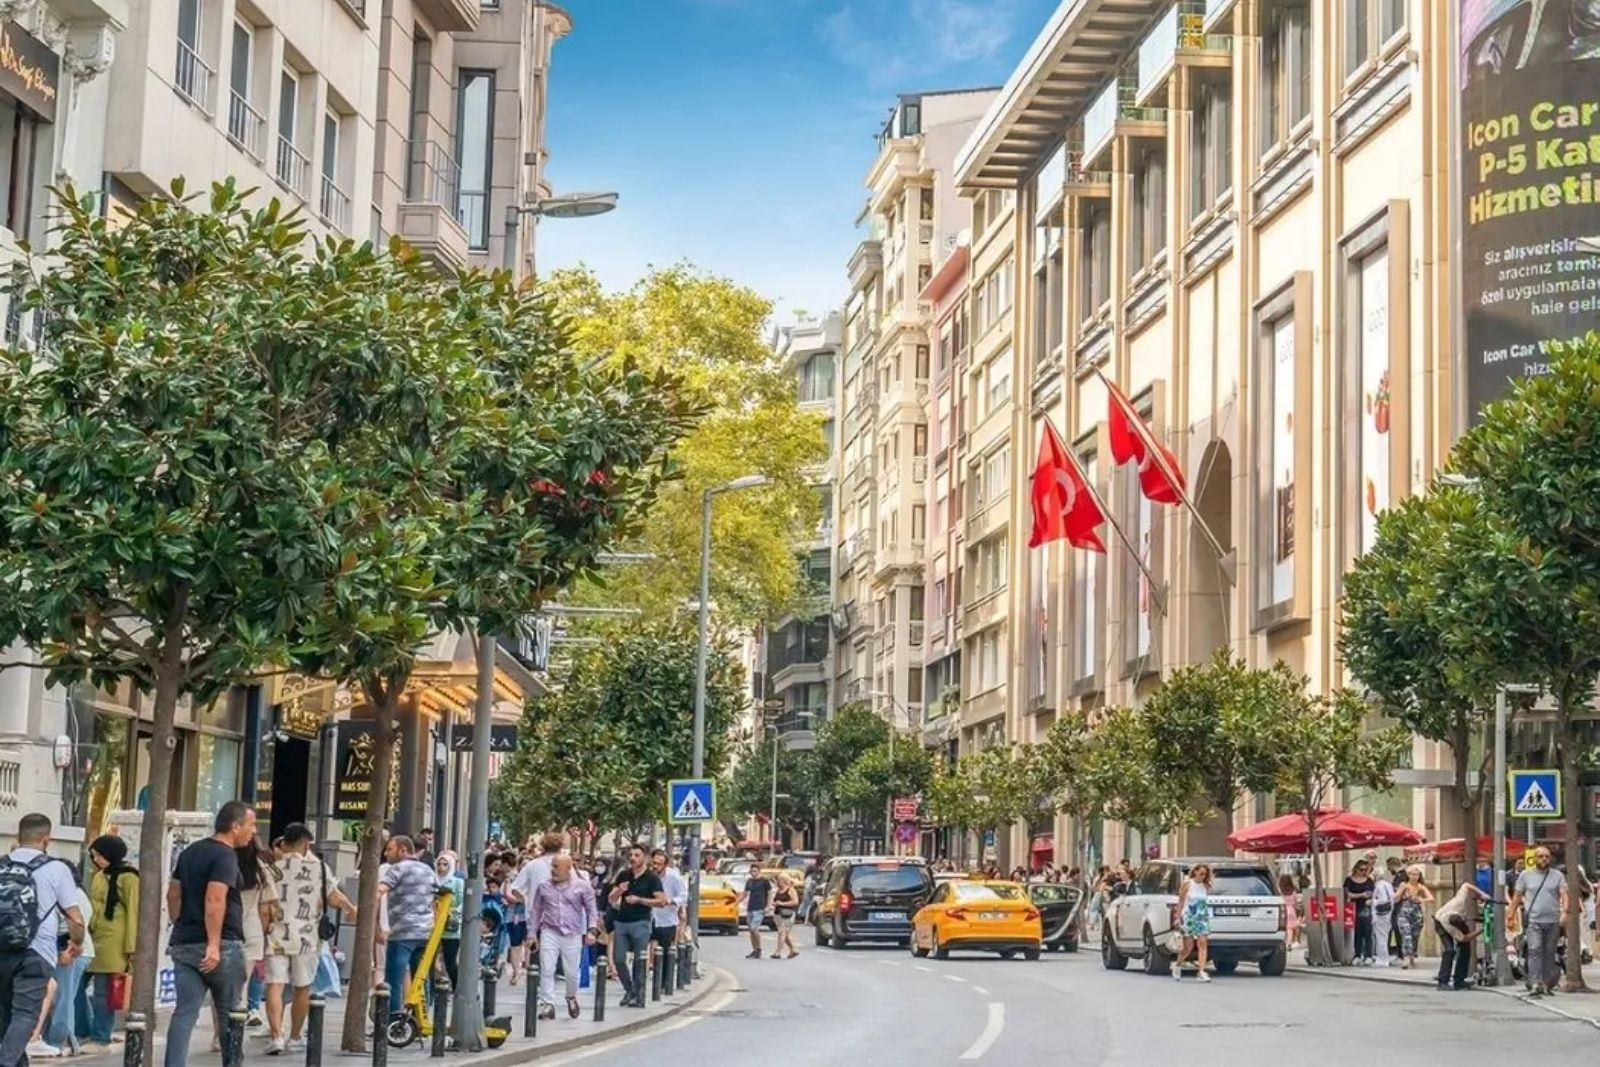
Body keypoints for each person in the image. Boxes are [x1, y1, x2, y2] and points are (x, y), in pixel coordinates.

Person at [166, 801, 256, 1067]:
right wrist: (214, 944)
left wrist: (180, 923)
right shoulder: (225, 856)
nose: (253, 833)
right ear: (235, 826)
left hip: (185, 944)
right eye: (250, 826)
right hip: (221, 945)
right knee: (231, 1014)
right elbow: (215, 900)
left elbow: (173, 893)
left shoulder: (191, 852)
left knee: (184, 1013)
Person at [0, 813, 85, 1065]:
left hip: (2, 949)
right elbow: (74, 916)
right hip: (36, 952)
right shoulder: (57, 869)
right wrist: (76, 943)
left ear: (18, 837)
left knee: (5, 1014)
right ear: (47, 840)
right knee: (26, 1014)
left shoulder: (2, 865)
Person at [267, 823, 355, 1054]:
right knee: (302, 987)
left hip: (276, 933)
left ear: (285, 842)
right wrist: (349, 907)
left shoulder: (272, 868)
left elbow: (264, 903)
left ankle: (276, 1036)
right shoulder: (320, 869)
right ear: (307, 843)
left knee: (274, 985)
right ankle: (295, 1037)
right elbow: (333, 897)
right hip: (306, 936)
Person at [528, 855, 599, 1020]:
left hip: (572, 934)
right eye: (552, 866)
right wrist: (532, 934)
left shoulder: (582, 887)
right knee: (547, 968)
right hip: (549, 931)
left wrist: (592, 930)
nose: (553, 870)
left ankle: (571, 997)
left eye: (556, 867)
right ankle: (548, 1004)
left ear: (568, 869)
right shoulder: (544, 886)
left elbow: (591, 910)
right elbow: (536, 911)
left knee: (572, 972)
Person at [84, 835, 138, 1050]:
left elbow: (134, 912)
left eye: (99, 855)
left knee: (103, 991)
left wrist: (131, 947)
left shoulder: (129, 878)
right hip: (94, 936)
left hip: (115, 940)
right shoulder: (100, 876)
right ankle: (85, 1029)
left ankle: (101, 1036)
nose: (96, 859)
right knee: (80, 987)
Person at [377, 834, 438, 1013]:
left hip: (402, 933)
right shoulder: (428, 870)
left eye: (390, 849)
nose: (386, 853)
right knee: (420, 978)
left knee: (393, 980)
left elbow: (381, 890)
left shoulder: (396, 869)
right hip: (425, 932)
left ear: (403, 850)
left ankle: (392, 1019)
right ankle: (421, 1017)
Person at [606, 846, 667, 1008]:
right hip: (621, 921)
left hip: (641, 922)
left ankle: (638, 994)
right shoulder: (624, 875)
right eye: (631, 855)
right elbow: (611, 899)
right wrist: (620, 890)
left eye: (637, 855)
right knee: (618, 959)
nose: (633, 858)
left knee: (639, 960)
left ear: (645, 858)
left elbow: (662, 901)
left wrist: (640, 900)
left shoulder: (652, 877)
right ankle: (630, 989)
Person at [1511, 846, 1569, 996]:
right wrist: (1510, 915)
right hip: (1534, 921)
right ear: (1534, 858)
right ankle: (1535, 982)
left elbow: (1564, 894)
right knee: (1534, 950)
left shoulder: (1557, 876)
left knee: (1549, 953)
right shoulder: (1525, 875)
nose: (1544, 859)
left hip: (1553, 920)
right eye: (1541, 856)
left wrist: (1565, 912)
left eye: (1547, 857)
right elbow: (1517, 897)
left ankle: (1546, 983)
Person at [235, 839, 278, 1043]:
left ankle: (219, 1037)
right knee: (241, 984)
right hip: (251, 930)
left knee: (223, 986)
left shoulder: (224, 862)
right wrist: (263, 931)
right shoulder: (260, 869)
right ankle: (235, 1035)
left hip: (225, 928)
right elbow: (265, 908)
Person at [1434, 880, 1491, 991]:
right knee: (1449, 951)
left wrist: (1481, 894)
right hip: (1440, 922)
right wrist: (1481, 931)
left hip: (1452, 918)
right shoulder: (1449, 925)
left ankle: (1459, 981)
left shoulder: (1458, 903)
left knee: (1466, 950)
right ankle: (1442, 981)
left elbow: (1466, 885)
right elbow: (1464, 938)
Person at [1172, 862, 1213, 982]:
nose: (1203, 876)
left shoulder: (1206, 886)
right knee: (1188, 946)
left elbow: (1205, 901)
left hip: (1202, 916)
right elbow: (1180, 902)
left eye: (1205, 874)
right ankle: (1178, 964)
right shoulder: (1187, 884)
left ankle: (1201, 971)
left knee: (1203, 943)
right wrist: (1177, 917)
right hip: (1189, 916)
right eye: (1201, 873)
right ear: (1195, 872)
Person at [433, 852, 464, 1000]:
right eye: (439, 864)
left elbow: (462, 902)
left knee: (449, 960)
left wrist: (452, 913)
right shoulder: (432, 881)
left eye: (445, 864)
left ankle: (456, 986)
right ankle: (435, 986)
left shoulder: (457, 882)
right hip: (432, 925)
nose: (441, 867)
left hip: (450, 927)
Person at [648, 850, 686, 973]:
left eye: (659, 864)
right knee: (651, 951)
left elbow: (683, 895)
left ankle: (665, 983)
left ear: (665, 865)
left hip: (667, 920)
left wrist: (670, 901)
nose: (655, 866)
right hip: (649, 918)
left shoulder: (674, 877)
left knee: (665, 953)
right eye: (654, 863)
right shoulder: (648, 876)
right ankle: (653, 975)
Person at [1394, 865, 1433, 969]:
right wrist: (1400, 894)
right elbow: (1395, 899)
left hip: (1417, 914)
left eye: (1416, 874)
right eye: (1411, 874)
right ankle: (1406, 958)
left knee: (1415, 936)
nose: (1414, 876)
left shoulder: (1421, 887)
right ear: (1408, 875)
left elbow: (1431, 898)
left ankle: (1412, 956)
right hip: (1404, 913)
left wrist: (1420, 900)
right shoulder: (1404, 885)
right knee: (1406, 934)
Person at [737, 865, 774, 959]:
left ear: (759, 871)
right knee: (751, 930)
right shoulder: (749, 881)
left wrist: (768, 906)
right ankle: (754, 949)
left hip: (760, 908)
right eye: (752, 871)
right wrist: (736, 903)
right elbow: (745, 894)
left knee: (754, 928)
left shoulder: (764, 881)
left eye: (755, 871)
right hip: (750, 907)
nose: (753, 873)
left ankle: (759, 948)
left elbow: (769, 893)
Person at [1344, 860, 1376, 965]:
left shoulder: (1369, 881)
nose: (1363, 872)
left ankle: (1368, 955)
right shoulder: (1349, 880)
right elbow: (1347, 894)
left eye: (1366, 870)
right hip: (1353, 907)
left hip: (1366, 907)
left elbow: (1373, 893)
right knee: (1357, 932)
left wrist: (1369, 897)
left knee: (1367, 931)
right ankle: (1357, 954)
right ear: (1356, 869)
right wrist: (1361, 895)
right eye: (1361, 869)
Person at [771, 873, 800, 960]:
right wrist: (773, 904)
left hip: (788, 914)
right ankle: (793, 949)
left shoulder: (791, 890)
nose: (778, 882)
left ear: (784, 881)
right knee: (784, 933)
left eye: (779, 880)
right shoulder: (778, 890)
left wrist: (783, 903)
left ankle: (777, 952)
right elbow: (775, 900)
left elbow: (795, 902)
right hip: (778, 914)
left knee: (782, 932)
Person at [1371, 871, 1396, 967]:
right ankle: (1383, 957)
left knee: (1380, 937)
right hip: (1388, 913)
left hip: (1380, 914)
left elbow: (1383, 900)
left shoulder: (1378, 886)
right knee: (1384, 936)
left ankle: (1383, 959)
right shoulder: (1388, 885)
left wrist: (1373, 902)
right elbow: (1392, 898)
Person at [1278, 874, 1302, 950]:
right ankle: (1291, 942)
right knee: (1292, 928)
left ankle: (1288, 943)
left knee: (1288, 929)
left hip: (1284, 910)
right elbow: (1296, 903)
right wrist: (1297, 910)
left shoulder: (1280, 892)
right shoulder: (1293, 891)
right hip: (1292, 910)